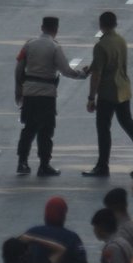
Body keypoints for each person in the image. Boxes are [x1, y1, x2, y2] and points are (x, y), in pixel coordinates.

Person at [15, 16, 87, 177]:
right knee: (46, 131)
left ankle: (22, 162)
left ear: (42, 27)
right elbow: (66, 70)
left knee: (29, 129)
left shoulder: (29, 44)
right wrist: (82, 74)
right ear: (56, 29)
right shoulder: (54, 47)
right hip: (46, 95)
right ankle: (44, 165)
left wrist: (19, 91)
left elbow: (19, 69)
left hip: (30, 94)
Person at [83, 11, 133, 178]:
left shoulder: (100, 46)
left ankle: (102, 165)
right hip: (123, 89)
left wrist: (91, 98)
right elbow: (110, 62)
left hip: (107, 93)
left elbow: (98, 73)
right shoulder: (120, 40)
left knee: (103, 128)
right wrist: (91, 67)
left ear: (101, 25)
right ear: (115, 24)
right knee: (128, 123)